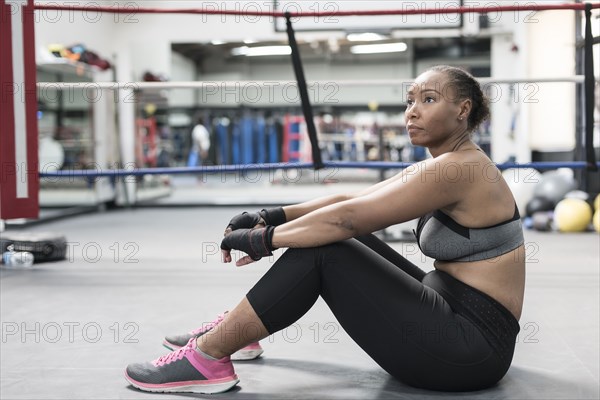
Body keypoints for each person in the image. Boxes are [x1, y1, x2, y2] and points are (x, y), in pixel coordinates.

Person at [124, 66, 525, 394]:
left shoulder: (459, 168)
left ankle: (207, 357)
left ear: (463, 109)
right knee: (337, 237)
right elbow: (349, 202)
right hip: (452, 317)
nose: (412, 112)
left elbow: (344, 220)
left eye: (429, 100)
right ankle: (238, 331)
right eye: (410, 101)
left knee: (326, 247)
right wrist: (274, 215)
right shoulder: (446, 161)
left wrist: (264, 240)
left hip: (469, 350)